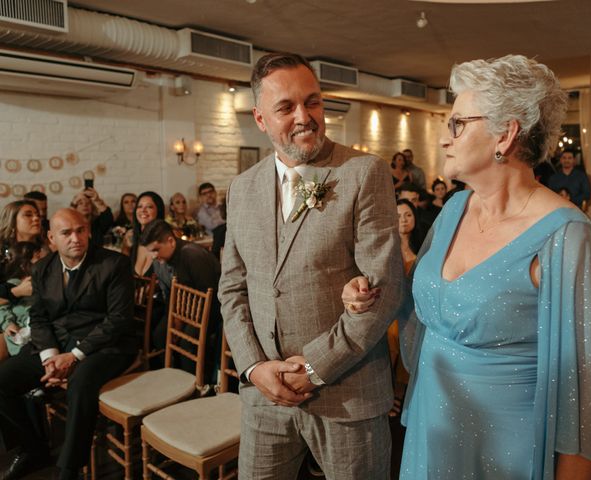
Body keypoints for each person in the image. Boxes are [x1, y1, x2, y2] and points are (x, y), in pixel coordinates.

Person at [343, 55, 591, 480]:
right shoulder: (454, 208)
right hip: (431, 427)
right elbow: (426, 296)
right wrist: (366, 292)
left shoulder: (566, 239)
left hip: (508, 448)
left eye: (458, 124)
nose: (445, 139)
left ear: (506, 132)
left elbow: (588, 394)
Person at [218, 52, 403, 479]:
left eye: (313, 102)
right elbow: (232, 288)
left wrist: (313, 369)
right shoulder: (241, 189)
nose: (305, 117)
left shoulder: (362, 173)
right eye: (286, 107)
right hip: (265, 395)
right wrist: (253, 367)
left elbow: (385, 288)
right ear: (260, 119)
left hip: (347, 394)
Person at [0, 208, 136, 480]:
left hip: (106, 345)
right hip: (56, 345)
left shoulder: (114, 263)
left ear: (88, 231)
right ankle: (31, 450)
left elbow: (118, 320)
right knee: (2, 378)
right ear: (52, 238)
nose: (76, 238)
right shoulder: (42, 269)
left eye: (81, 230)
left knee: (80, 384)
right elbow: (38, 317)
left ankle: (69, 469)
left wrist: (73, 356)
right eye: (66, 233)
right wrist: (51, 356)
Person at [139, 219, 222, 377]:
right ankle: (172, 375)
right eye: (150, 251)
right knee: (159, 335)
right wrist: (176, 319)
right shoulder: (159, 261)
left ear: (170, 241)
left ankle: (193, 382)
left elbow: (210, 294)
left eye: (156, 250)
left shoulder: (192, 255)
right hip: (182, 309)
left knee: (186, 342)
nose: (153, 256)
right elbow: (168, 293)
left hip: (210, 309)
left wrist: (182, 322)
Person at [387, 200, 419, 418]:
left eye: (408, 215)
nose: (403, 220)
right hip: (390, 308)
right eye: (398, 215)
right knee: (391, 336)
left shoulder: (424, 248)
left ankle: (400, 392)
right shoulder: (386, 248)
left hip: (414, 310)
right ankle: (388, 393)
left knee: (410, 336)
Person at [0, 242, 43, 360]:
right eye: (38, 258)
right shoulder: (14, 284)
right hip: (20, 331)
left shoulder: (44, 280)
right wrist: (8, 324)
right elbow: (2, 308)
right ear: (24, 265)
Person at [0, 201, 43, 307]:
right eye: (28, 215)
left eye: (38, 215)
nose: (36, 218)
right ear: (12, 221)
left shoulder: (48, 249)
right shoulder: (2, 252)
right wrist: (17, 291)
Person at [125, 191, 165, 276]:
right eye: (139, 206)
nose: (143, 210)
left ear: (158, 210)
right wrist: (126, 248)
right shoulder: (132, 238)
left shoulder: (163, 242)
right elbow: (122, 272)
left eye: (149, 207)